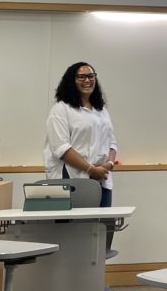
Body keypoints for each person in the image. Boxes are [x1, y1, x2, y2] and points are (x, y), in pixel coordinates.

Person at [43, 62, 118, 209]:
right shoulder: (61, 109)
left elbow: (112, 142)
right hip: (72, 178)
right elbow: (62, 149)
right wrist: (90, 169)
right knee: (76, 229)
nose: (87, 80)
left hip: (102, 178)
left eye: (91, 76)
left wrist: (108, 164)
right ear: (72, 81)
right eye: (81, 77)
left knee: (103, 228)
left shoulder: (101, 110)